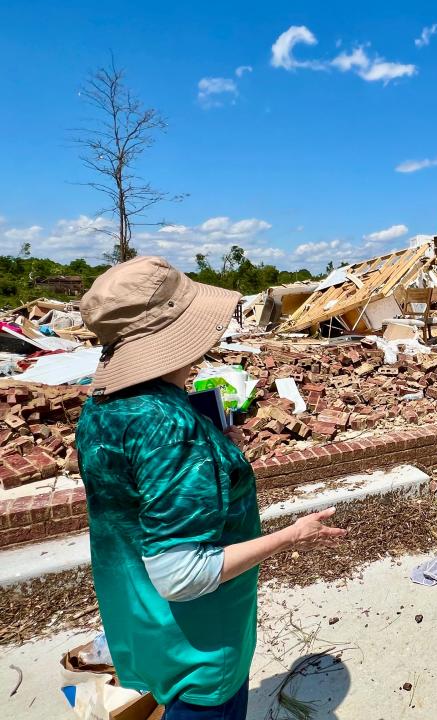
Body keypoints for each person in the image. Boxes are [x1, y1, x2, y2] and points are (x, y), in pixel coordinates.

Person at [75, 256, 346, 720]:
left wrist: (213, 448)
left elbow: (142, 495)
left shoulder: (101, 407)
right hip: (198, 646)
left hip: (141, 618)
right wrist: (292, 535)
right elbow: (182, 575)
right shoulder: (172, 428)